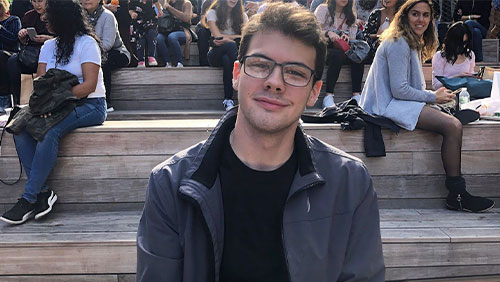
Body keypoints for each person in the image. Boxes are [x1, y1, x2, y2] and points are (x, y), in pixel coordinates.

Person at [137, 3, 385, 281]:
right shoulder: (169, 184)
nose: (275, 82)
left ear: (315, 91)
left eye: (295, 72)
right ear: (236, 74)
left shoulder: (350, 183)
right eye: (260, 65)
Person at [359, 0, 495, 212]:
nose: (420, 19)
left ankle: (448, 114)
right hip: (386, 105)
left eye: (425, 15)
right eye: (415, 14)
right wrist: (433, 97)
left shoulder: (410, 41)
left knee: (449, 116)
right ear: (405, 16)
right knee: (452, 127)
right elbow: (399, 90)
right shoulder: (398, 43)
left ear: (431, 19)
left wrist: (434, 98)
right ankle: (457, 195)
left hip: (398, 101)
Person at [0, 0, 107, 225]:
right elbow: (41, 82)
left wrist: (53, 105)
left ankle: (29, 198)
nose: (45, 19)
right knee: (19, 127)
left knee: (49, 131)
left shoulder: (87, 43)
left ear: (63, 17)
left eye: (50, 15)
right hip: (55, 104)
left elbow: (88, 85)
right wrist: (44, 106)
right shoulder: (48, 47)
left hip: (90, 104)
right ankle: (43, 192)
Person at [314, 0, 365, 108]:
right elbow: (315, 31)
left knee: (358, 55)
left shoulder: (351, 14)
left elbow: (353, 37)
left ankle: (356, 94)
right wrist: (328, 33)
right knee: (337, 55)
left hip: (343, 49)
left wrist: (346, 38)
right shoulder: (323, 9)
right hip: (323, 48)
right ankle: (328, 96)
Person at [83, 0, 131, 112]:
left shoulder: (107, 16)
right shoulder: (80, 17)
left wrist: (86, 52)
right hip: (90, 52)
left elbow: (108, 44)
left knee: (101, 61)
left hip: (117, 52)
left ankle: (106, 102)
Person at [6, 0, 53, 105]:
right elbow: (24, 43)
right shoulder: (29, 16)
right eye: (34, 1)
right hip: (30, 52)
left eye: (40, 1)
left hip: (51, 51)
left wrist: (48, 39)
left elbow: (64, 38)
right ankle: (18, 99)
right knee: (13, 61)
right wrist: (22, 37)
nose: (37, 5)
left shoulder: (56, 15)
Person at [205, 0, 248, 110]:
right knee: (231, 47)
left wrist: (228, 39)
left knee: (227, 60)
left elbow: (246, 37)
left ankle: (228, 99)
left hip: (230, 55)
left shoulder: (242, 16)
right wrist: (236, 38)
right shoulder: (212, 13)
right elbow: (218, 37)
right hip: (215, 54)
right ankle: (239, 79)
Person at [432, 21, 475, 90]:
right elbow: (435, 85)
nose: (463, 46)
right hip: (446, 95)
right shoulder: (440, 56)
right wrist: (456, 78)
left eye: (465, 42)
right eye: (459, 43)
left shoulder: (470, 55)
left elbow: (470, 80)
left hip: (465, 94)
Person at [156, 0, 193, 67]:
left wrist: (170, 8)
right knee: (158, 38)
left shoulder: (186, 3)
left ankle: (179, 62)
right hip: (166, 30)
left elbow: (186, 18)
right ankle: (168, 62)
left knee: (172, 37)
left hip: (182, 30)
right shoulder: (165, 3)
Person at [0, 0, 21, 111]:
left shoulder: (13, 20)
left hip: (10, 55)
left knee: (1, 56)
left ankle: (4, 101)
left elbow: (13, 39)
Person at [129, 0, 163, 67]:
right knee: (140, 39)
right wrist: (132, 13)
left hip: (150, 19)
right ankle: (141, 60)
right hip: (139, 21)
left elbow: (156, 3)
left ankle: (151, 56)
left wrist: (159, 11)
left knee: (151, 34)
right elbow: (130, 9)